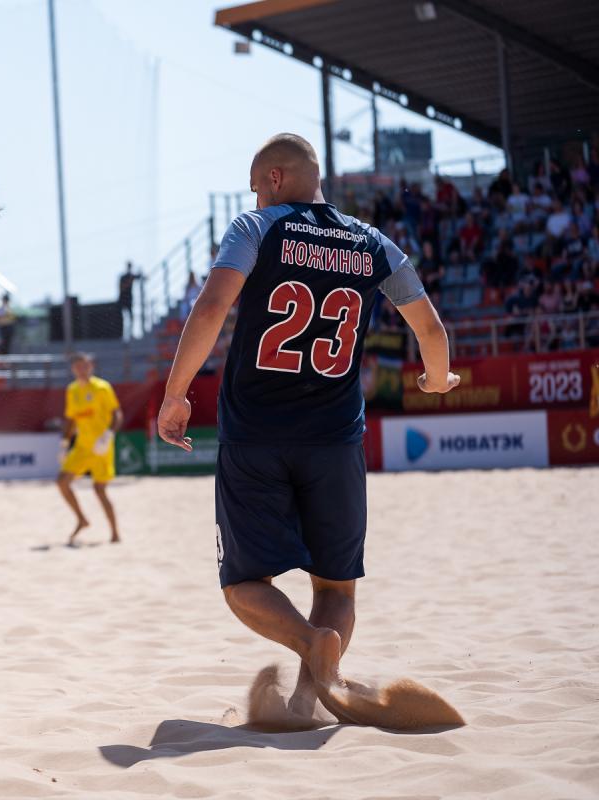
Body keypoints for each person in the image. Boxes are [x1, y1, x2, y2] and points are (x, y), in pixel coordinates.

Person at [156, 133, 459, 726]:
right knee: (337, 589)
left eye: (255, 187)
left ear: (274, 178)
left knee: (244, 583)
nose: (255, 198)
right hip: (335, 438)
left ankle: (308, 647)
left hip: (256, 434)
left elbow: (212, 307)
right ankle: (309, 694)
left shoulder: (255, 228)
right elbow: (430, 330)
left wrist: (175, 394)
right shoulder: (373, 243)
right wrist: (435, 379)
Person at [57, 352, 123, 545]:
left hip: (101, 446)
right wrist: (64, 443)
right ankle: (81, 519)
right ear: (73, 369)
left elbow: (117, 414)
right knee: (62, 482)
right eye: (78, 366)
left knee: (99, 489)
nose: (82, 369)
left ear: (91, 366)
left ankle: (115, 533)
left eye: (85, 365)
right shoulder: (72, 390)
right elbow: (71, 420)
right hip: (82, 446)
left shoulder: (102, 387)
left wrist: (108, 435)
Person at [118, 261, 141, 339]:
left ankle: (130, 334)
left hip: (129, 300)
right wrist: (129, 282)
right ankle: (122, 335)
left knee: (131, 318)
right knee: (122, 319)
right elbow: (122, 288)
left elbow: (140, 277)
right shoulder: (123, 277)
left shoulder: (131, 276)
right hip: (123, 300)